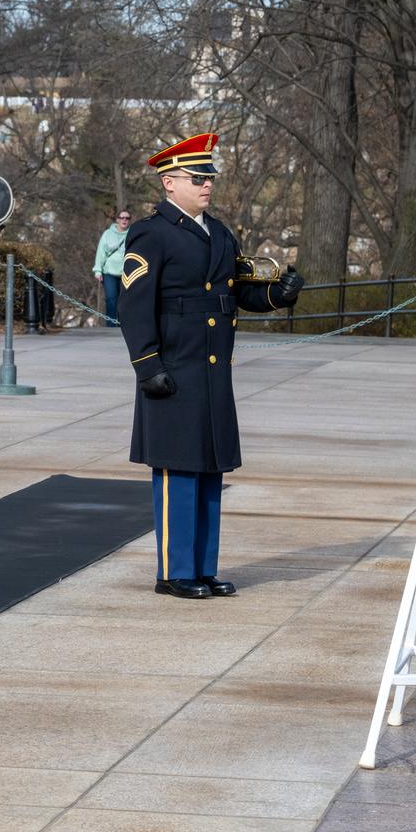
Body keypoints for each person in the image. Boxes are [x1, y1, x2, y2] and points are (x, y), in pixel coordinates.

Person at [117, 133, 304, 600]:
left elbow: (236, 291)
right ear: (169, 182)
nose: (207, 186)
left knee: (208, 471)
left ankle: (202, 568)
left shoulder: (218, 232)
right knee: (177, 473)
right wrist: (146, 365)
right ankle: (173, 571)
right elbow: (134, 305)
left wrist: (277, 295)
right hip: (173, 370)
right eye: (198, 178)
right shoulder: (151, 232)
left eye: (209, 178)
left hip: (212, 371)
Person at [92, 208, 133, 322]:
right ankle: (111, 324)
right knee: (111, 299)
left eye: (127, 218)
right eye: (122, 217)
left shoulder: (133, 234)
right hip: (109, 272)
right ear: (117, 220)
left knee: (124, 300)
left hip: (127, 273)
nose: (124, 220)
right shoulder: (107, 234)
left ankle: (123, 325)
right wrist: (98, 270)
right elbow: (101, 252)